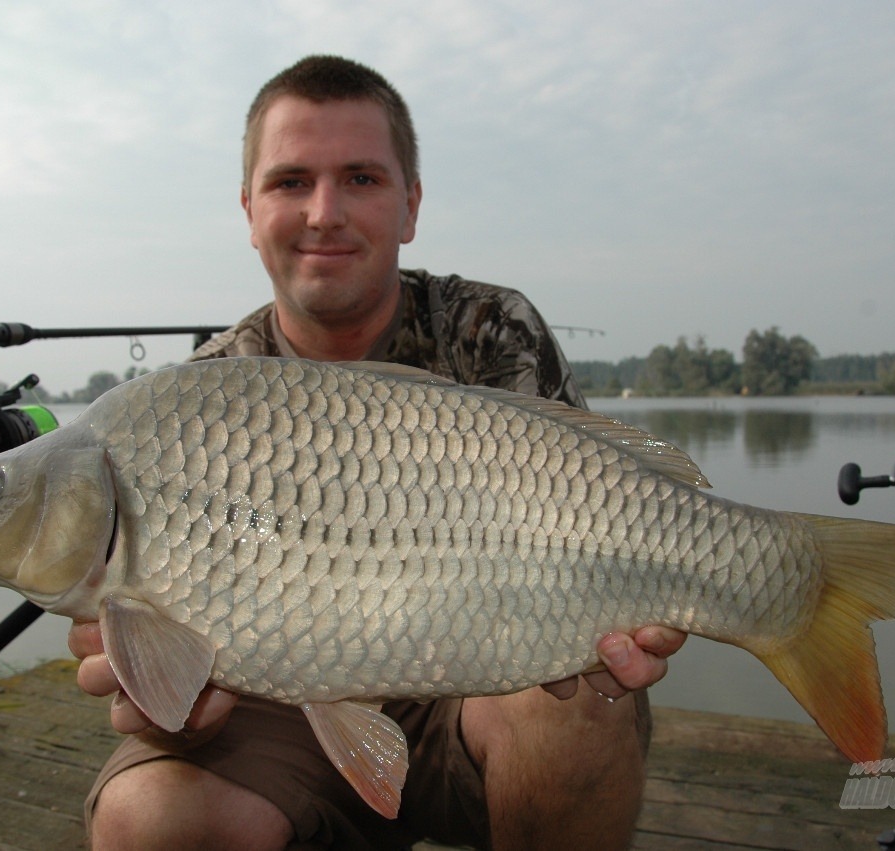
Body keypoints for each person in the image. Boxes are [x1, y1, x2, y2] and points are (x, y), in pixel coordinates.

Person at [69, 55, 686, 851]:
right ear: (249, 209)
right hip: (280, 705)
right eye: (291, 181)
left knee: (582, 696)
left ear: (410, 205)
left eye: (360, 178)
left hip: (483, 674)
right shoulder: (196, 403)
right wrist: (172, 694)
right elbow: (161, 671)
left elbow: (594, 515)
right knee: (143, 818)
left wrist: (640, 600)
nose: (324, 211)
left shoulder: (490, 330)